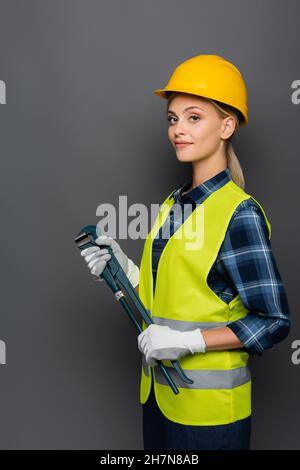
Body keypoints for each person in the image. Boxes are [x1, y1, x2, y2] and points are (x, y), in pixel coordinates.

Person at [80, 54, 291, 450]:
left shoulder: (238, 213)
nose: (178, 129)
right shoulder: (172, 205)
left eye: (194, 117)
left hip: (210, 418)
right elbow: (168, 297)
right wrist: (120, 268)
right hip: (159, 402)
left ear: (227, 126)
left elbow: (274, 320)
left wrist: (191, 342)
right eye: (173, 119)